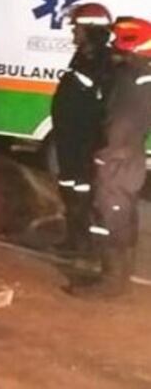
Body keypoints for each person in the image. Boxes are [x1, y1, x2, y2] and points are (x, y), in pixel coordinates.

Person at [72, 17, 151, 298]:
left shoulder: (131, 76)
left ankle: (112, 281)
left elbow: (120, 122)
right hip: (129, 156)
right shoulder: (141, 72)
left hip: (118, 159)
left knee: (109, 214)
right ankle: (118, 276)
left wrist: (105, 156)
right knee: (123, 214)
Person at [50, 3, 113, 255]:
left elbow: (100, 104)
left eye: (76, 28)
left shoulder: (103, 61)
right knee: (69, 189)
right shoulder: (82, 55)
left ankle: (90, 246)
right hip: (69, 140)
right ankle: (74, 239)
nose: (73, 33)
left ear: (90, 29)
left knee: (86, 194)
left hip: (85, 143)